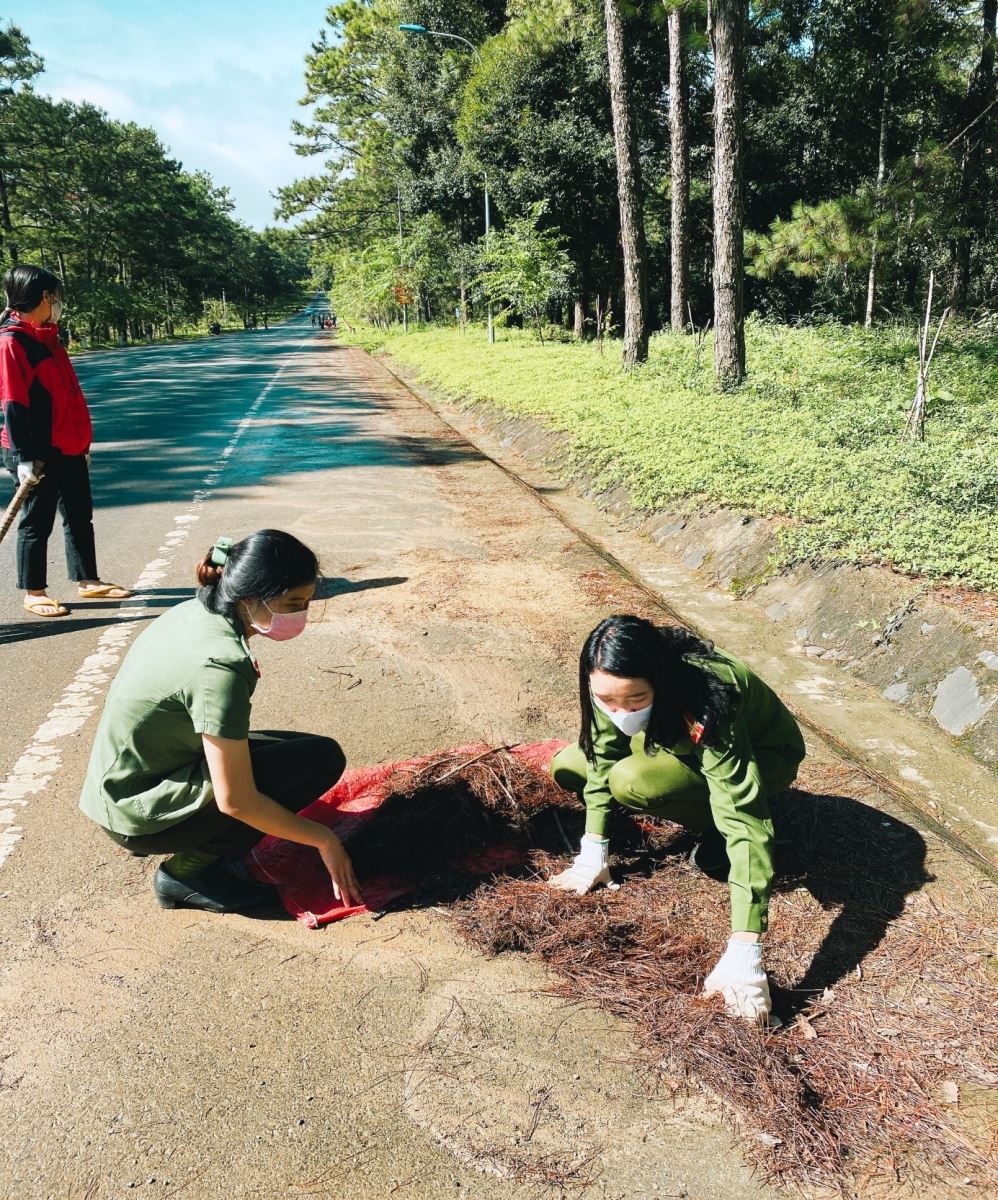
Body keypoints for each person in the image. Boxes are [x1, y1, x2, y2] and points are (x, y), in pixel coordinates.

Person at [80, 529, 362, 914]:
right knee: (318, 763)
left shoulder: (197, 609)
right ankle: (184, 874)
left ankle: (197, 839)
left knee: (301, 752)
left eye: (307, 603)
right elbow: (236, 800)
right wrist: (324, 839)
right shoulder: (221, 664)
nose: (301, 616)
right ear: (250, 596)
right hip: (135, 810)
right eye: (293, 603)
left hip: (121, 784)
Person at [548, 615, 805, 1023]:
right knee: (567, 764)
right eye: (607, 701)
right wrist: (593, 847)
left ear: (660, 680)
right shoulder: (609, 681)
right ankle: (676, 789)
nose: (620, 712)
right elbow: (600, 752)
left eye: (635, 701)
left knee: (632, 782)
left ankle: (708, 829)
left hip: (762, 757)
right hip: (670, 728)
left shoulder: (711, 694)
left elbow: (742, 816)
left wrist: (746, 947)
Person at [1, 265, 131, 617]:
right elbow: (13, 402)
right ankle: (34, 591)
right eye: (54, 296)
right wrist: (24, 456)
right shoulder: (13, 341)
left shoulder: (48, 336)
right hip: (36, 449)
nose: (57, 303)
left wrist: (81, 442)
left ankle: (88, 580)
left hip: (68, 445)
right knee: (36, 521)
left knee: (78, 514)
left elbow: (67, 394)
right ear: (44, 297)